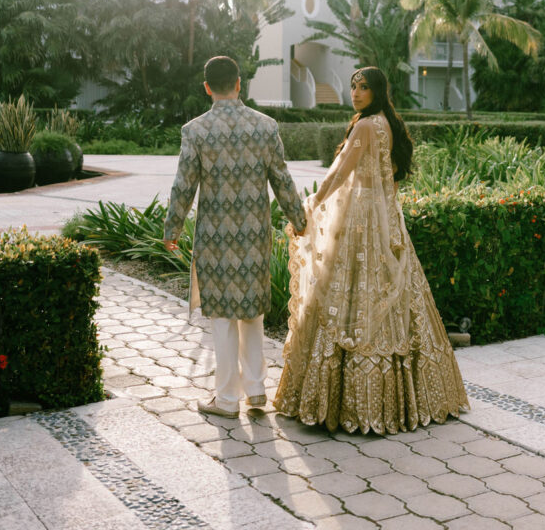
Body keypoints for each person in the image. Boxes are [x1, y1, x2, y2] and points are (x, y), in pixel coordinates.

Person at [274, 66, 469, 434]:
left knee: (350, 296)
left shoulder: (365, 126)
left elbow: (337, 173)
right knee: (392, 297)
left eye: (364, 87)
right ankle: (410, 399)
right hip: (383, 219)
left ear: (377, 91)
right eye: (353, 86)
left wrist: (312, 204)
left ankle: (348, 402)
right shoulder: (386, 124)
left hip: (361, 217)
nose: (356, 93)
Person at [163, 55, 307, 419]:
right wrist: (299, 218)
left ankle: (227, 399)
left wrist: (172, 230)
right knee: (252, 311)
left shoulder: (195, 130)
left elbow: (184, 186)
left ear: (208, 87)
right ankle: (257, 390)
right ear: (239, 83)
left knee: (223, 317)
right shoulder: (265, 126)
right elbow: (282, 179)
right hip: (254, 234)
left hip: (215, 237)